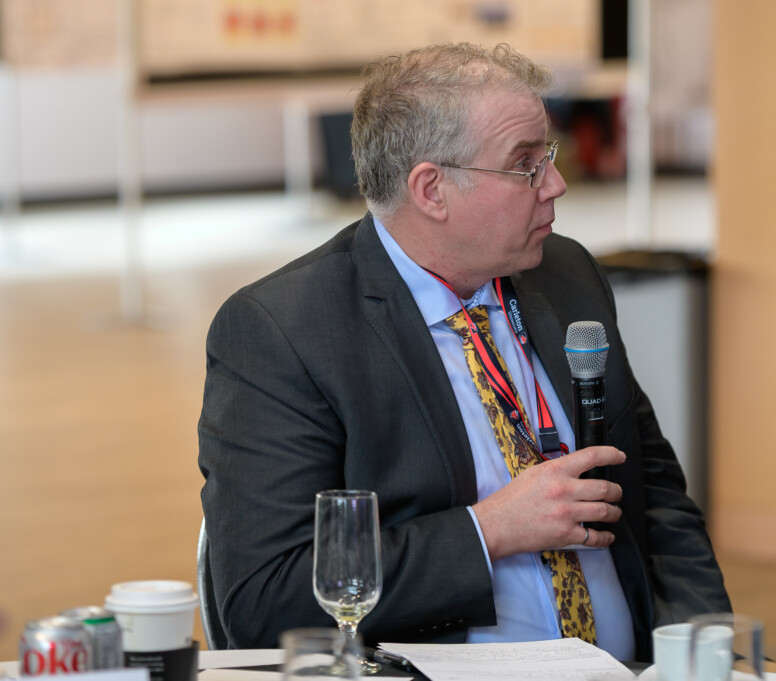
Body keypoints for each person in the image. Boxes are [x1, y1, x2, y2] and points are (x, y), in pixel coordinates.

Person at [198, 42, 730, 660]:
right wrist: (491, 530)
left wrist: (700, 651)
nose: (556, 185)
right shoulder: (284, 333)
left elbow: (656, 497)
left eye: (548, 156)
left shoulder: (566, 275)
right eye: (525, 164)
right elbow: (266, 603)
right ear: (432, 190)